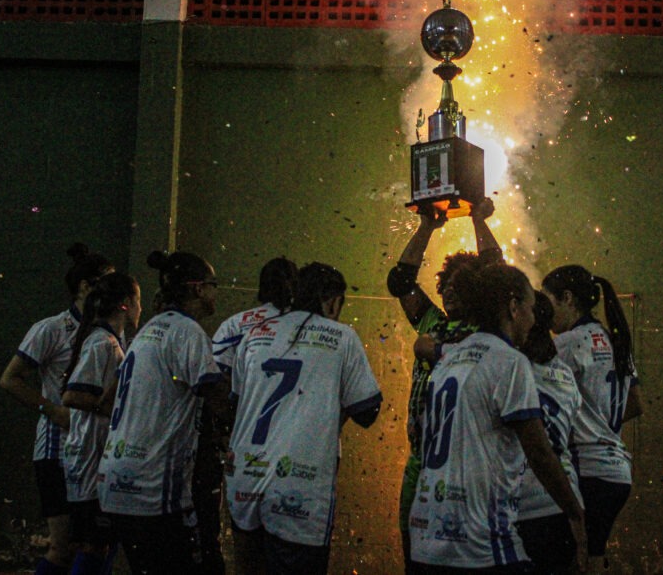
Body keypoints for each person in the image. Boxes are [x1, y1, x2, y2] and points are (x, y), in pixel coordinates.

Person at [408, 262, 586, 574]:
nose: (534, 319)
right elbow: (539, 452)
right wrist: (575, 513)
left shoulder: (449, 357)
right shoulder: (509, 361)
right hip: (478, 542)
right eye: (531, 308)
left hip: (426, 536)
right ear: (514, 307)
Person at [226, 262, 383, 575]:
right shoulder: (341, 337)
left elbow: (236, 401)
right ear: (333, 300)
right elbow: (368, 411)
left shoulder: (255, 333)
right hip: (299, 484)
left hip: (244, 476)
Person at [386, 199, 502, 571]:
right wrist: (426, 227)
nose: (449, 291)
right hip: (421, 460)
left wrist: (477, 219)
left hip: (467, 467)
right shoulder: (432, 321)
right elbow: (399, 282)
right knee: (415, 559)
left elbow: (496, 272)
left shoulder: (490, 327)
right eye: (446, 284)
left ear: (478, 290)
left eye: (460, 285)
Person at [97, 251, 224, 574]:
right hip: (153, 487)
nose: (215, 293)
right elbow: (215, 395)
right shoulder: (187, 332)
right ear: (196, 289)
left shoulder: (149, 332)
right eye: (212, 285)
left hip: (118, 479)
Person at [0, 243, 113, 575]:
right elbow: (9, 378)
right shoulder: (52, 328)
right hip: (58, 448)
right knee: (62, 547)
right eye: (106, 282)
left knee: (96, 543)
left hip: (94, 449)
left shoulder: (107, 330)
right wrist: (53, 411)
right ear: (85, 287)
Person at [193, 256, 298, 573]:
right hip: (292, 454)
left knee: (246, 553)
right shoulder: (309, 326)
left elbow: (214, 385)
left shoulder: (236, 324)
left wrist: (227, 430)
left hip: (245, 451)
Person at [541, 265, 642, 573]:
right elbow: (635, 405)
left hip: (588, 470)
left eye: (548, 302)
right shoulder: (614, 341)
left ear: (567, 299)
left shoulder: (569, 343)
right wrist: (598, 422)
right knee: (593, 556)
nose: (544, 313)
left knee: (572, 559)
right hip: (618, 472)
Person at [60, 272, 141, 575]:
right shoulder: (103, 345)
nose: (140, 308)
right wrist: (105, 405)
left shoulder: (112, 342)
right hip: (89, 459)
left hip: (97, 458)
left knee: (102, 542)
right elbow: (70, 395)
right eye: (138, 301)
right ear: (125, 305)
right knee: (94, 543)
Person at [515, 291, 583, 575]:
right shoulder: (564, 374)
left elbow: (539, 451)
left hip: (522, 507)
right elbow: (568, 441)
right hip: (560, 505)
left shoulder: (512, 370)